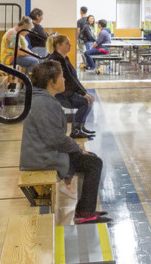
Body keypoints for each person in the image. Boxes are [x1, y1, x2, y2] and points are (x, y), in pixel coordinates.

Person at [20, 59, 107, 224]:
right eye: (61, 77)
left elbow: (54, 137)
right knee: (93, 163)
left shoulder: (42, 98)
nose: (64, 80)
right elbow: (56, 139)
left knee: (91, 160)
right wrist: (78, 149)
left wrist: (76, 148)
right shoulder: (44, 103)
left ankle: (85, 210)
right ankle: (84, 213)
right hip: (41, 157)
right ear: (52, 82)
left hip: (41, 152)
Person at [47, 35, 94, 139]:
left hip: (67, 91)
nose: (70, 45)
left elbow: (74, 78)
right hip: (61, 94)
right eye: (67, 43)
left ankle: (80, 127)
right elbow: (69, 79)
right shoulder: (56, 60)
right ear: (58, 45)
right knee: (85, 102)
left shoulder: (64, 58)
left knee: (89, 99)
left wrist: (85, 92)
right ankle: (76, 131)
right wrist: (83, 94)